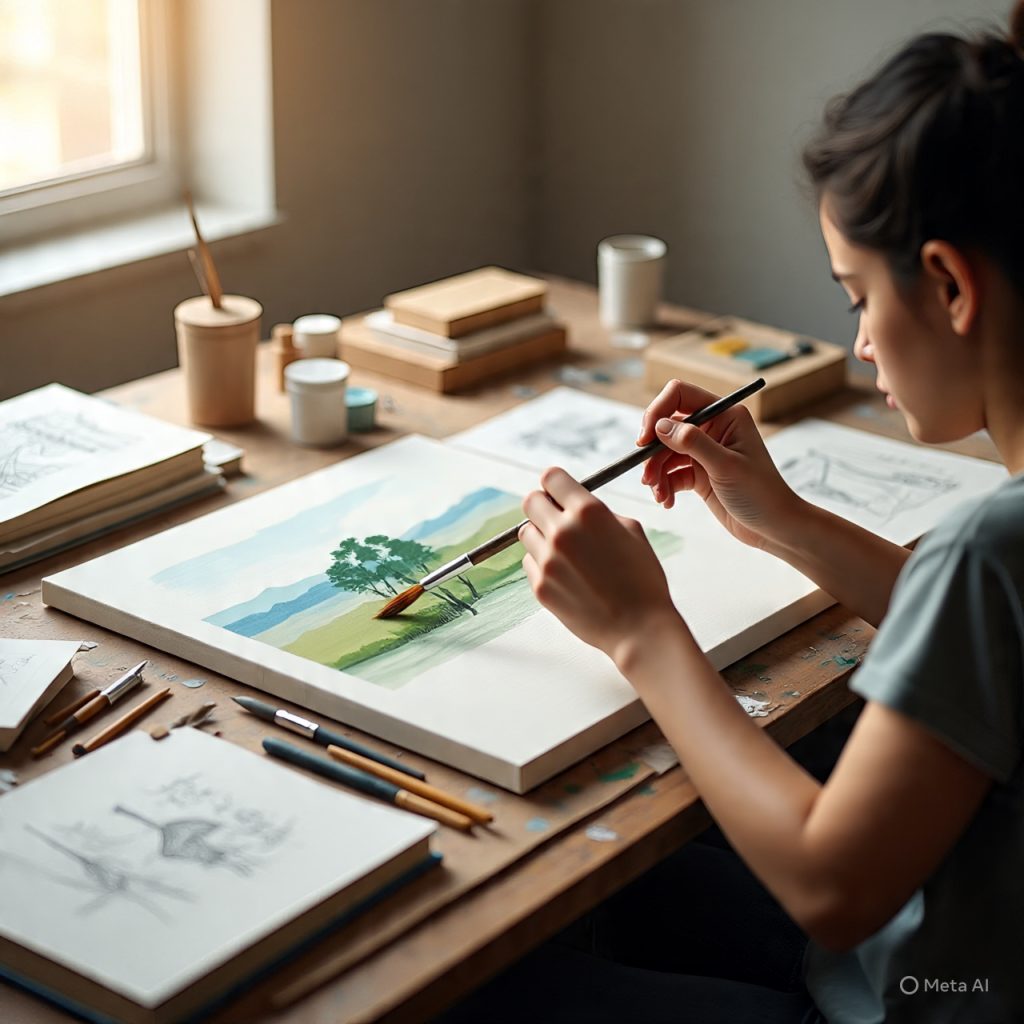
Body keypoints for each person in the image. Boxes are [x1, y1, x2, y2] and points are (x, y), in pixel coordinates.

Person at [435, 4, 1024, 1022]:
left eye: (857, 298)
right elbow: (989, 633)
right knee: (632, 885)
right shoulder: (998, 549)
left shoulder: (985, 548)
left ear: (946, 284)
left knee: (489, 981)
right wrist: (779, 518)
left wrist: (641, 630)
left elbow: (831, 885)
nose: (860, 345)